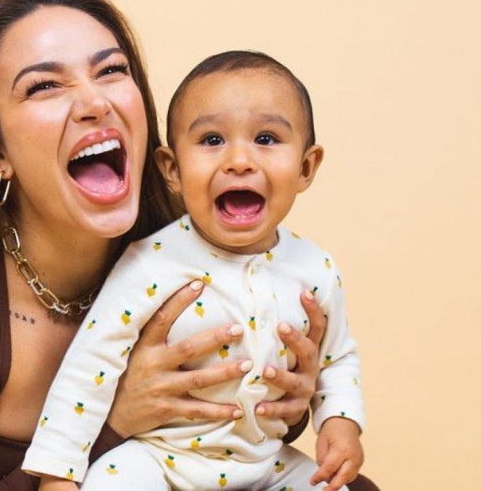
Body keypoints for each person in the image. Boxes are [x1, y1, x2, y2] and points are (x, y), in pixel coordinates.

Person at [0, 0, 379, 490]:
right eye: (44, 85)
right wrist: (115, 424)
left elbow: (237, 445)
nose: (94, 102)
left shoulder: (194, 251)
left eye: (111, 71)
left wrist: (297, 396)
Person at [22, 50, 365, 491]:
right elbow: (89, 367)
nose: (239, 160)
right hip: (160, 460)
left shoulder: (315, 267)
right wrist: (57, 476)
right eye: (211, 141)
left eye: (265, 139)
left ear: (305, 167)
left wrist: (341, 423)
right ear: (172, 170)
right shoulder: (151, 262)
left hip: (265, 462)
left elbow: (337, 358)